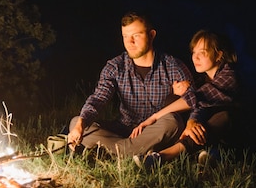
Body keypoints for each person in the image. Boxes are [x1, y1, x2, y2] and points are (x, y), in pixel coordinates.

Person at [67, 11, 194, 157]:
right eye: (125, 36)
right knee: (76, 123)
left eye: (136, 35)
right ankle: (136, 151)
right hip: (123, 129)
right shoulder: (115, 66)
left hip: (155, 129)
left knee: (172, 122)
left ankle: (113, 151)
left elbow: (194, 102)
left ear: (151, 35)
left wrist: (190, 122)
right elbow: (98, 98)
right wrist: (80, 125)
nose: (130, 42)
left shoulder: (172, 66)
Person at [132, 29, 240, 169]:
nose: (195, 58)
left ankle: (162, 157)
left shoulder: (230, 76)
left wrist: (154, 117)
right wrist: (184, 98)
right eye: (194, 52)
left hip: (237, 135)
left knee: (224, 116)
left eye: (202, 52)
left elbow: (199, 98)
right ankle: (205, 154)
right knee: (174, 99)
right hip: (212, 136)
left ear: (218, 55)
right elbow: (198, 104)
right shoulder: (202, 80)